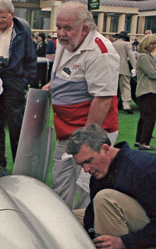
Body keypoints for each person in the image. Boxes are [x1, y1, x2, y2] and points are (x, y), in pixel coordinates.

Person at [42, 1, 119, 209]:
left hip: (90, 133)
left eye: (67, 28)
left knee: (87, 186)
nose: (60, 33)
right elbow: (67, 74)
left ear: (85, 28)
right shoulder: (64, 42)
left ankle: (85, 232)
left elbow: (103, 98)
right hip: (66, 131)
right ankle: (60, 226)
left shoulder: (101, 52)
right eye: (58, 27)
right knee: (60, 182)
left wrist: (86, 140)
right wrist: (53, 86)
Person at [0, 0, 36, 176]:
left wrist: (23, 81)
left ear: (12, 15)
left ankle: (20, 166)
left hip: (15, 84)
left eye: (4, 17)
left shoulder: (22, 34)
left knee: (16, 127)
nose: (0, 21)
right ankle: (0, 163)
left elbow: (31, 60)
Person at [134, 34, 156, 151]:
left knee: (144, 117)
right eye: (151, 43)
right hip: (146, 90)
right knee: (149, 117)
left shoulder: (148, 56)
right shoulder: (144, 57)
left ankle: (139, 140)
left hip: (148, 90)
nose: (153, 46)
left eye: (155, 43)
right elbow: (153, 74)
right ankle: (144, 142)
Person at [112, 31, 136, 114]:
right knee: (126, 86)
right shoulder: (127, 44)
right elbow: (131, 56)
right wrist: (135, 67)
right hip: (123, 67)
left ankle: (113, 104)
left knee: (113, 88)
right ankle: (126, 105)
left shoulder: (112, 44)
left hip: (112, 68)